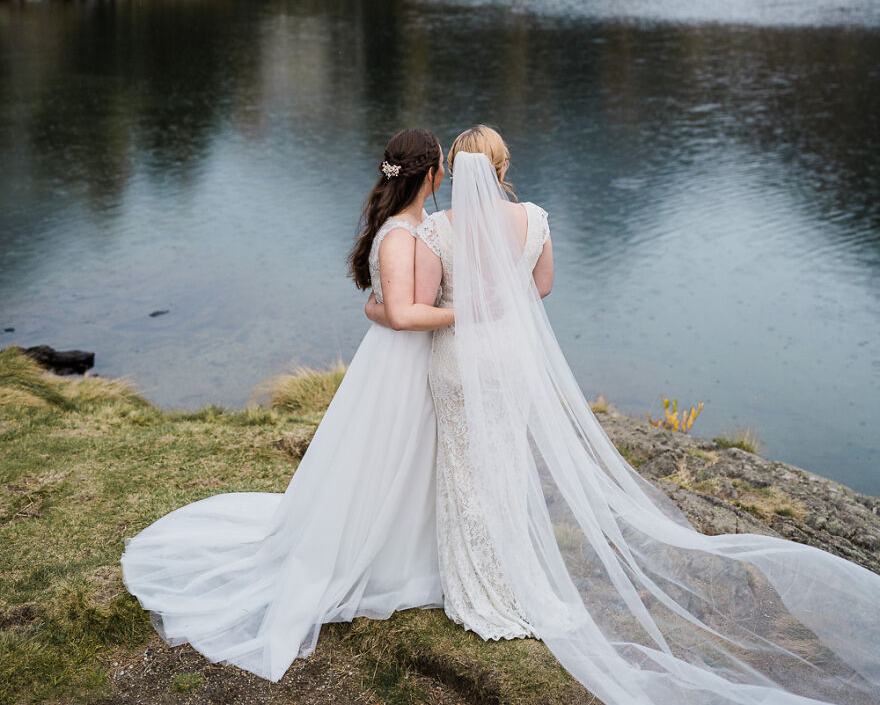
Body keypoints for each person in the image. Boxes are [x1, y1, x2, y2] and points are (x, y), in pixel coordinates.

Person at [406, 124, 880, 705]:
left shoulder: (439, 229)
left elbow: (425, 307)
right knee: (505, 461)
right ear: (503, 168)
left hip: (460, 358)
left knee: (464, 465)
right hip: (511, 358)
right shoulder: (533, 218)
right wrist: (500, 300)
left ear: (456, 170)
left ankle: (479, 586)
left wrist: (457, 307)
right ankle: (515, 576)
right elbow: (544, 286)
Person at [120, 127, 453, 683]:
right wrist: (465, 315)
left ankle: (417, 544)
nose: (445, 172)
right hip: (397, 367)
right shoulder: (398, 236)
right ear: (431, 174)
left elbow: (380, 307)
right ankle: (381, 558)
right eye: (442, 163)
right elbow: (399, 313)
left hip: (415, 361)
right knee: (385, 456)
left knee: (414, 457)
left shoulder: (425, 228)